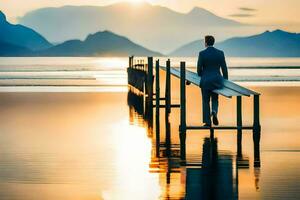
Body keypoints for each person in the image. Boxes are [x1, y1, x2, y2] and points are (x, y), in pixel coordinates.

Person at [197, 35, 228, 127]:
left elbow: (199, 70)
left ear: (206, 43)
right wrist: (225, 79)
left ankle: (207, 122)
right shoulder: (220, 53)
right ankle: (214, 111)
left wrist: (202, 74)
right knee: (215, 98)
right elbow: (224, 68)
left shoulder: (202, 53)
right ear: (213, 42)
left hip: (206, 81)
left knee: (205, 101)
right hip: (217, 80)